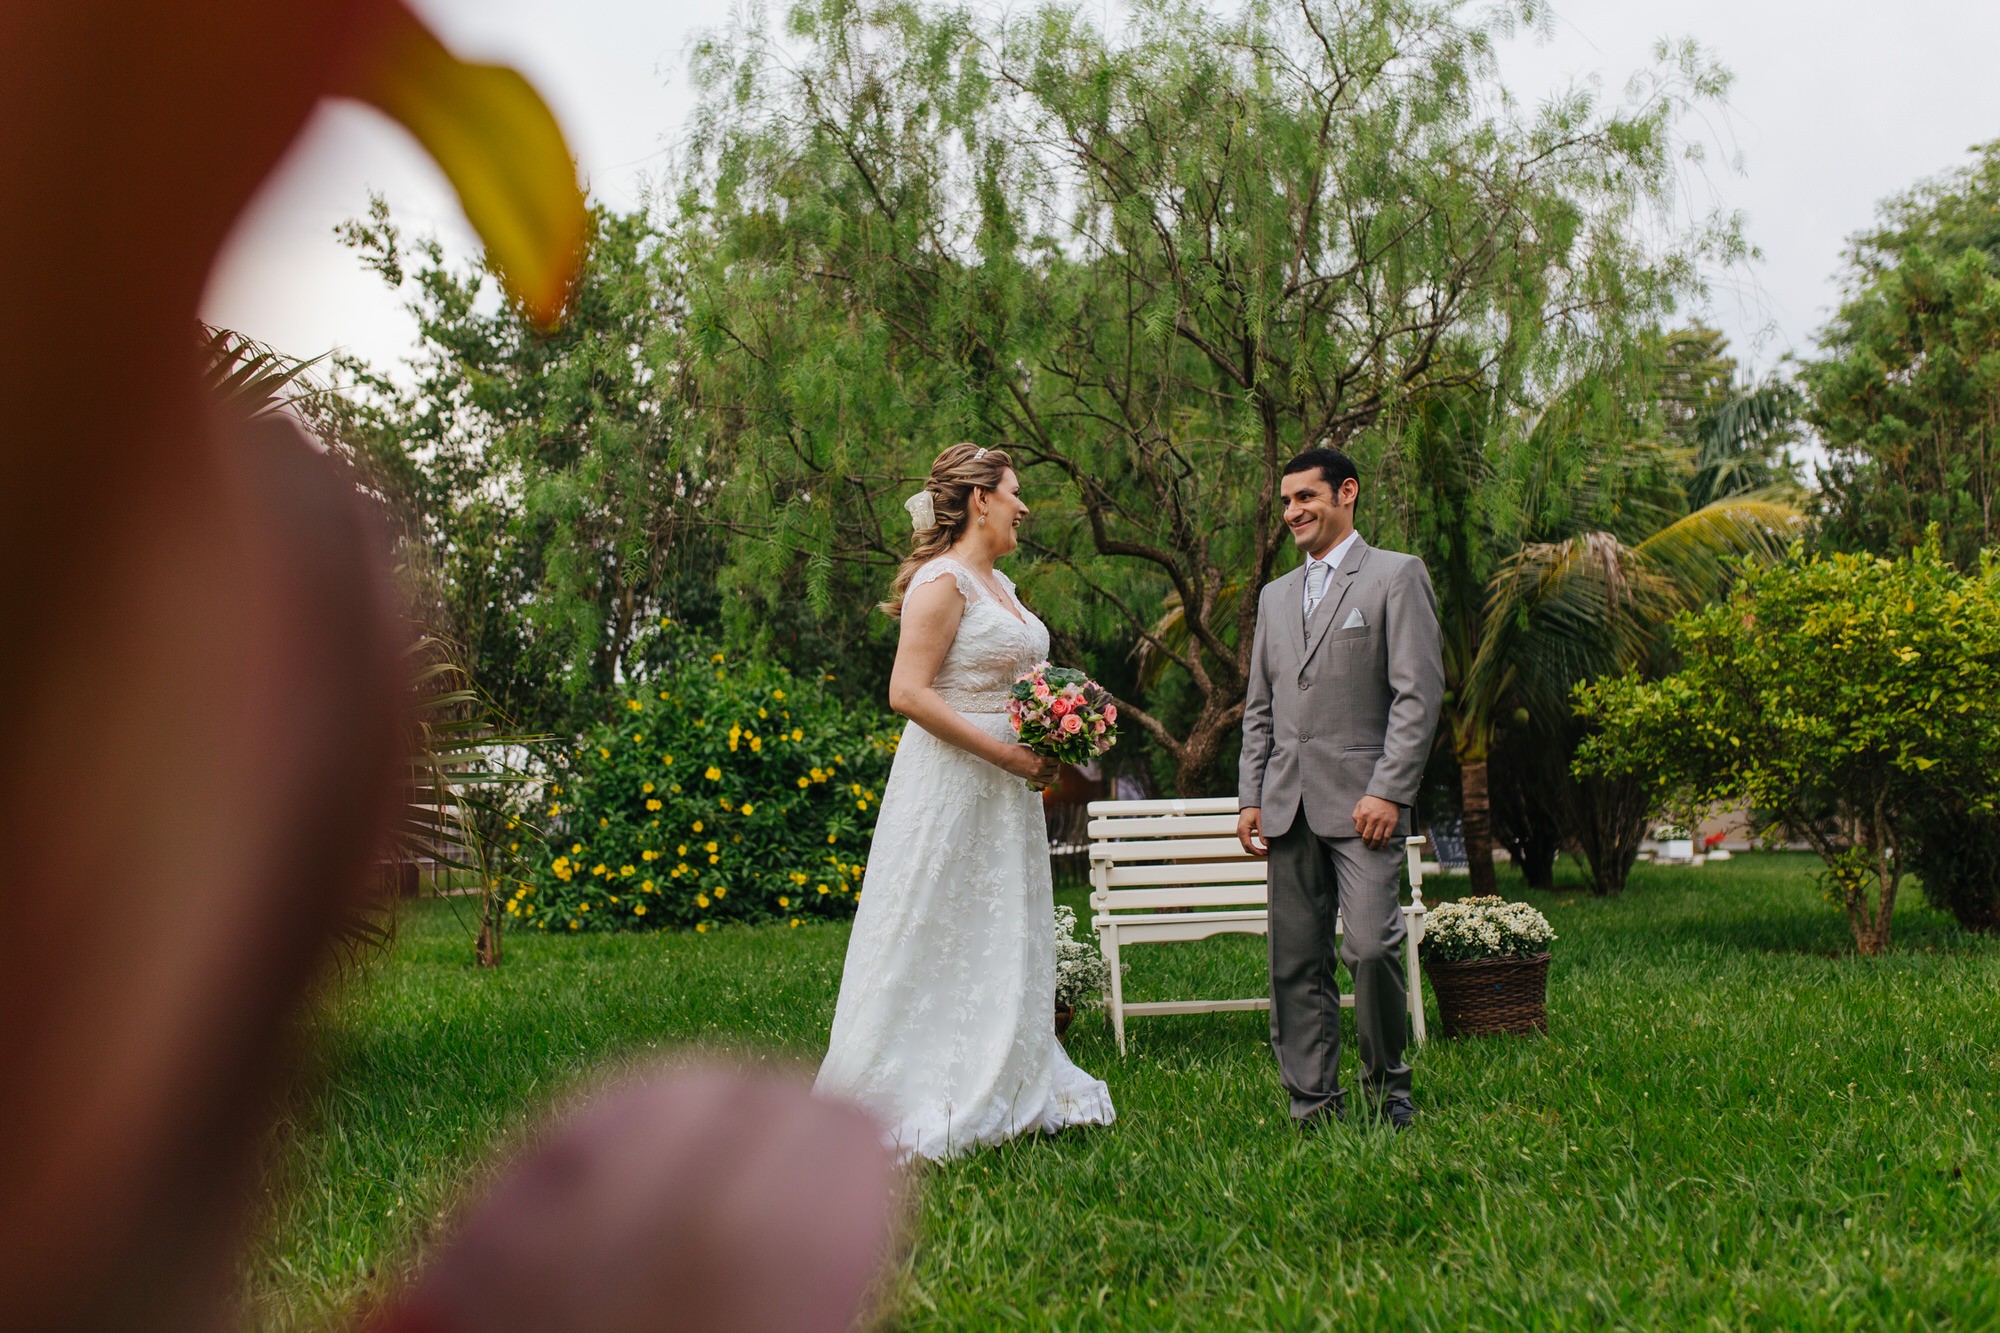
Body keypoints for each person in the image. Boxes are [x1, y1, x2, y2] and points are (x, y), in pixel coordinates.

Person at [815, 443, 1116, 1160]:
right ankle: (910, 1084)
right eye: (1015, 492)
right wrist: (1009, 752)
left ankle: (1008, 1068)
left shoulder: (1000, 581)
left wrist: (1055, 723)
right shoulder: (942, 582)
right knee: (932, 921)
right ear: (981, 498)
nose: (1024, 506)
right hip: (951, 783)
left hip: (1005, 794)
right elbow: (907, 692)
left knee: (998, 921)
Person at [1235, 447, 1444, 1130]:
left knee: (1374, 946)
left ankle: (1390, 1088)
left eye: (1307, 497)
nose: (1293, 511)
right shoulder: (1272, 598)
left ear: (1346, 492)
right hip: (1287, 803)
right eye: (1286, 501)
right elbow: (1260, 708)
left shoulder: (1395, 576)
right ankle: (1314, 1103)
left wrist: (1390, 788)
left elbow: (1418, 693)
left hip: (1365, 808)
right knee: (1295, 962)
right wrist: (1250, 796)